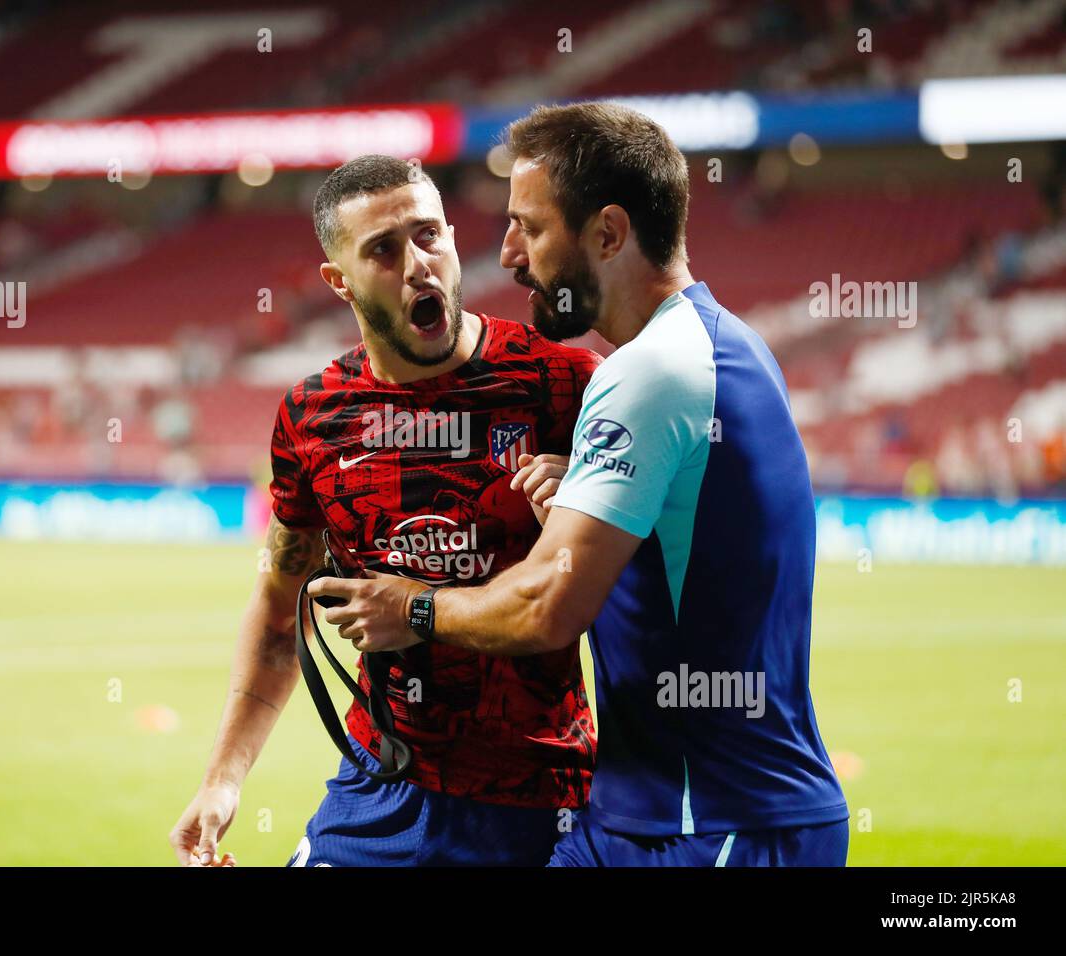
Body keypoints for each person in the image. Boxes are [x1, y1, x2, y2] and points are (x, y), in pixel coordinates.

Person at [309, 104, 850, 867]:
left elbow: (547, 606)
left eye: (529, 228)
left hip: (709, 822)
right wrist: (589, 487)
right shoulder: (719, 343)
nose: (508, 256)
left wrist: (413, 607)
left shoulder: (648, 372)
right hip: (671, 813)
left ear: (606, 234)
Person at [169, 154, 601, 867]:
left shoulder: (563, 384)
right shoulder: (314, 416)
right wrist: (222, 781)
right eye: (382, 250)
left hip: (540, 798)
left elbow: (667, 573)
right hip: (380, 788)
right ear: (338, 282)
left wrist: (586, 496)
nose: (417, 265)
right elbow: (282, 618)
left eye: (429, 236)